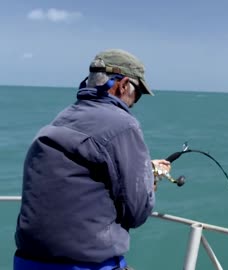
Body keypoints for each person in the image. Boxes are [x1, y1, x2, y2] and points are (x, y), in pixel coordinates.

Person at [13, 49, 170, 270]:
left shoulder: (62, 118)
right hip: (87, 264)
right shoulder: (124, 124)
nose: (135, 102)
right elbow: (137, 212)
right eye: (138, 93)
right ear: (123, 85)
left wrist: (145, 169)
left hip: (27, 260)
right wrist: (149, 180)